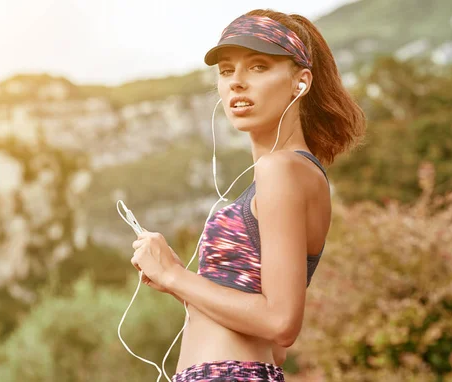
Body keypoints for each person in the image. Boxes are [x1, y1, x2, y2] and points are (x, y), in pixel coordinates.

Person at [131, 8, 365, 382]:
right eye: (226, 70)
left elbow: (281, 323)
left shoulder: (282, 170)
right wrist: (179, 285)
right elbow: (275, 350)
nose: (236, 82)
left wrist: (176, 276)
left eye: (258, 67)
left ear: (300, 82)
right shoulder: (297, 172)